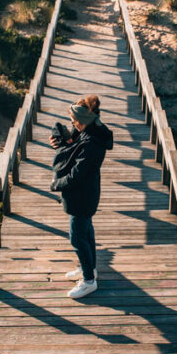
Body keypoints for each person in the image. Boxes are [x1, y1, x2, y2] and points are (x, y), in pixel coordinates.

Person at [49, 95, 113, 299]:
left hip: (82, 196)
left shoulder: (92, 144)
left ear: (83, 120)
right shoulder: (91, 131)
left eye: (74, 120)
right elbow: (75, 144)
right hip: (86, 194)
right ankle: (89, 270)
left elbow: (77, 175)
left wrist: (56, 184)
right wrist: (63, 142)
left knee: (77, 237)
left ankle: (88, 282)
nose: (72, 124)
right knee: (87, 233)